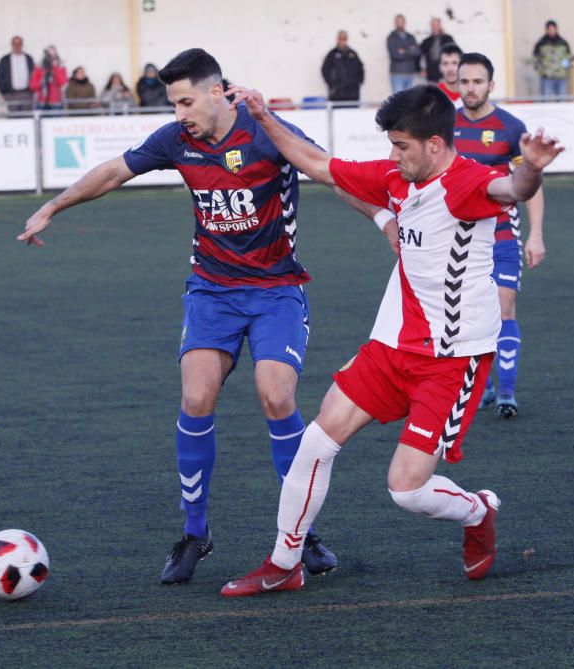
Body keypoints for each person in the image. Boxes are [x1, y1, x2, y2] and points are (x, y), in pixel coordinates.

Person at [18, 48, 347, 586]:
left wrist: (384, 212)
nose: (179, 114)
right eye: (173, 103)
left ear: (217, 92)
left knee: (278, 395)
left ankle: (299, 533)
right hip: (212, 290)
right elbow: (112, 173)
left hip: (276, 289)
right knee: (195, 397)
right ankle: (196, 533)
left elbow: (328, 171)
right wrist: (53, 206)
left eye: (186, 101)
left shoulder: (267, 131)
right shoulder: (178, 140)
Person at [220, 83, 562, 597]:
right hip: (390, 345)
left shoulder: (469, 181)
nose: (393, 156)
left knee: (406, 490)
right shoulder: (395, 178)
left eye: (401, 146)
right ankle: (284, 562)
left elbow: (512, 190)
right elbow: (317, 164)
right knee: (315, 443)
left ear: (434, 145)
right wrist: (264, 116)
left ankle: (478, 510)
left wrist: (532, 167)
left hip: (452, 358)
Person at [455, 53, 546, 418]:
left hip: (502, 235)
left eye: (477, 81)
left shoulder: (510, 127)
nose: (470, 88)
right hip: (457, 241)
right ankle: (485, 385)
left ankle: (506, 391)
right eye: (464, 81)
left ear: (491, 85)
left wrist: (536, 234)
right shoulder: (444, 125)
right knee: (468, 316)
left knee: (505, 307)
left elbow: (532, 183)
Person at [321, 30, 364, 104]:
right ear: (337, 39)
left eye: (345, 38)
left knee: (352, 113)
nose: (343, 41)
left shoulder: (353, 53)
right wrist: (331, 84)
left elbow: (360, 68)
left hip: (352, 93)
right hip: (337, 93)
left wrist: (359, 82)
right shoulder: (332, 54)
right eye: (341, 38)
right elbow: (325, 70)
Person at [0, 35, 35, 112]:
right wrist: (5, 92)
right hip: (11, 94)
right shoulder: (5, 59)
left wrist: (31, 92)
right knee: (13, 119)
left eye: (19, 44)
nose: (17, 46)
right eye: (15, 44)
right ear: (12, 45)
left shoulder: (28, 58)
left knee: (26, 119)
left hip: (26, 94)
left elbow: (34, 75)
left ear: (22, 45)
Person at [534, 21, 571, 99]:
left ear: (556, 29)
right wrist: (542, 71)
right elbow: (536, 59)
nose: (551, 31)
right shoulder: (541, 44)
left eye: (553, 29)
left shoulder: (563, 43)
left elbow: (567, 58)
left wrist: (564, 69)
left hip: (561, 77)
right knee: (546, 100)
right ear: (546, 30)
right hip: (547, 77)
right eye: (549, 29)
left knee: (562, 100)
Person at [387, 14, 420, 93]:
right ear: (395, 23)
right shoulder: (391, 38)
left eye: (401, 21)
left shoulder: (411, 37)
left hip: (410, 73)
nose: (400, 23)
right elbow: (395, 55)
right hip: (397, 74)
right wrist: (410, 51)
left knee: (409, 102)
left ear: (404, 22)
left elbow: (417, 53)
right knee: (398, 101)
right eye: (398, 21)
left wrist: (404, 51)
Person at [30, 46, 68, 111]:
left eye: (53, 55)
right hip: (41, 103)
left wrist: (55, 68)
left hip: (56, 103)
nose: (51, 58)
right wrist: (42, 80)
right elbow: (32, 86)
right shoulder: (39, 67)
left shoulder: (61, 67)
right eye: (49, 55)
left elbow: (62, 82)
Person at [421, 17, 457, 83]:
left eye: (436, 25)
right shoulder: (426, 41)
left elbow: (455, 52)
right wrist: (423, 69)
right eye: (433, 25)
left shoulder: (448, 38)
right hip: (431, 71)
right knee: (432, 91)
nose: (434, 27)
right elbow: (422, 56)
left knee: (444, 91)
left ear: (440, 25)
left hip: (445, 70)